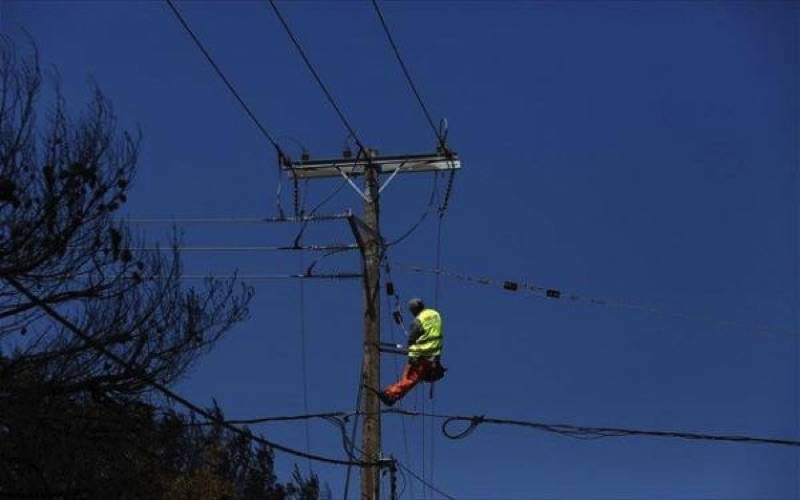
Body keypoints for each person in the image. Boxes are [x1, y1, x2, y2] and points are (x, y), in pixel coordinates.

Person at [379, 298, 444, 406]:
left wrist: (412, 358)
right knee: (409, 378)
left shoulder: (418, 320)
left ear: (414, 310)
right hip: (434, 354)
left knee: (410, 378)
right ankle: (394, 395)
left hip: (422, 354)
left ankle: (390, 394)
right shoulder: (435, 314)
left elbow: (412, 341)